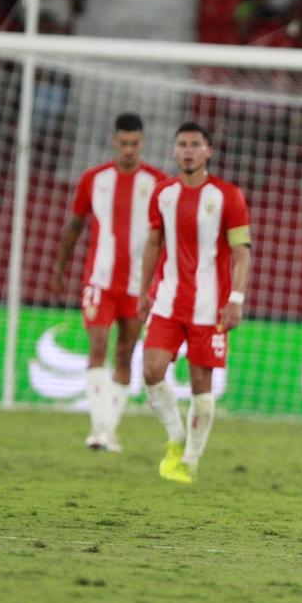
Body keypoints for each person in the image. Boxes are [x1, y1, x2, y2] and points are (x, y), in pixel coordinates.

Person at [137, 122, 251, 484]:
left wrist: (236, 298)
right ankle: (175, 435)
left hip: (210, 307)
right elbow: (153, 244)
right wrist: (143, 291)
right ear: (174, 151)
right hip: (169, 301)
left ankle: (190, 460)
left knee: (202, 387)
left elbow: (241, 253)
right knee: (151, 371)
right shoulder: (162, 194)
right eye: (182, 144)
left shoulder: (228, 196)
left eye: (195, 144)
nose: (188, 150)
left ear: (208, 151)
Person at [51, 113, 168, 453]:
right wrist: (60, 267)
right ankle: (99, 429)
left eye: (135, 143)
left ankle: (108, 432)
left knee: (124, 354)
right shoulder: (94, 179)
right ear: (114, 142)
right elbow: (75, 225)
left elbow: (167, 236)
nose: (129, 149)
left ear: (142, 143)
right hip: (99, 281)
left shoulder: (157, 183)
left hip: (137, 286)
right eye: (123, 143)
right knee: (98, 346)